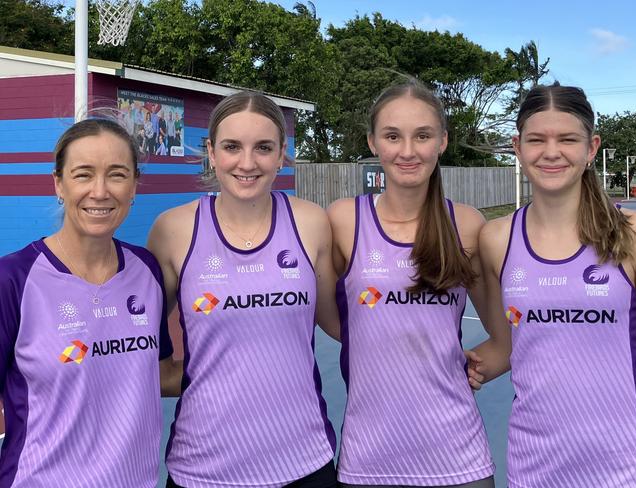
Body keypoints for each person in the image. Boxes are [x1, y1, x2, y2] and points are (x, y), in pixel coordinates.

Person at [148, 91, 340, 488]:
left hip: (303, 462)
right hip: (202, 469)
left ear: (282, 153)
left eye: (263, 148)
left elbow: (342, 324)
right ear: (212, 152)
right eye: (232, 146)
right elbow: (134, 340)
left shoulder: (311, 223)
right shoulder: (173, 230)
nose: (247, 163)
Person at [471, 84, 636, 487]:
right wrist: (445, 368)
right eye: (537, 139)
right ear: (518, 147)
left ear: (591, 148)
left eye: (567, 139)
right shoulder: (497, 239)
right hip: (534, 468)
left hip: (630, 466)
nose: (551, 152)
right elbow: (505, 346)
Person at [328, 79, 495, 487]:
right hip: (368, 460)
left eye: (422, 136)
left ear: (442, 141)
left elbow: (506, 337)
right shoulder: (342, 220)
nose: (407, 151)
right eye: (392, 136)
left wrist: (472, 367)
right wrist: (378, 338)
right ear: (372, 142)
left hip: (458, 459)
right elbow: (330, 318)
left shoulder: (468, 225)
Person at [0, 118, 173, 486]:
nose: (100, 191)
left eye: (116, 174)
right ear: (58, 184)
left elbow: (159, 374)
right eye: (83, 175)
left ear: (134, 187)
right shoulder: (12, 279)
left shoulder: (147, 272)